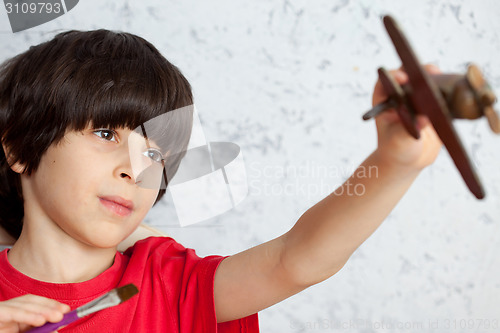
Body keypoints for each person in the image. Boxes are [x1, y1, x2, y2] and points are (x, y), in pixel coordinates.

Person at [0, 29, 442, 332]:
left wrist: (394, 160)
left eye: (153, 152)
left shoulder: (172, 284)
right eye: (104, 133)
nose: (134, 169)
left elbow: (296, 259)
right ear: (19, 148)